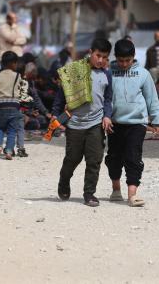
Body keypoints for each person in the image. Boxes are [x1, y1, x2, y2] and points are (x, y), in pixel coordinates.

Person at [52, 38, 113, 207]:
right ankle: (64, 181)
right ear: (91, 52)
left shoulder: (107, 74)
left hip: (96, 124)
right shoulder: (73, 71)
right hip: (75, 124)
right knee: (72, 158)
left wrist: (107, 115)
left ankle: (89, 194)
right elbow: (60, 95)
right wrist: (54, 115)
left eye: (105, 57)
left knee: (94, 160)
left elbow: (108, 99)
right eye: (98, 55)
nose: (100, 60)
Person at [105, 39, 159, 207]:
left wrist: (156, 120)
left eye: (127, 60)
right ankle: (116, 190)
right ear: (115, 57)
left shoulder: (143, 74)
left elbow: (152, 99)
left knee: (133, 157)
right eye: (120, 60)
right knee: (114, 157)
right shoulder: (108, 73)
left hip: (137, 123)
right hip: (114, 123)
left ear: (134, 57)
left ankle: (132, 195)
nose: (124, 64)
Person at [0, 51, 25, 159]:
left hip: (1, 106)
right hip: (14, 105)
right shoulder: (18, 76)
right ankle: (9, 151)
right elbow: (21, 92)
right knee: (12, 130)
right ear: (13, 64)